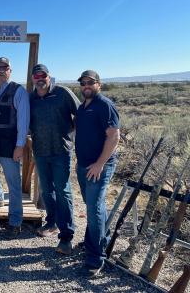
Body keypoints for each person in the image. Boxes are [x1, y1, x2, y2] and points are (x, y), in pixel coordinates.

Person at [30, 63, 80, 254]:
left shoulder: (62, 93)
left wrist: (70, 130)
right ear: (33, 79)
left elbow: (80, 112)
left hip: (61, 151)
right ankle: (51, 223)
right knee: (47, 190)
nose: (39, 78)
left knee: (63, 191)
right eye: (36, 76)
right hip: (40, 151)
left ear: (49, 77)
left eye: (43, 75)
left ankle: (66, 237)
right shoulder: (31, 98)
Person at [75, 70, 120, 277]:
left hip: (98, 166)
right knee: (94, 206)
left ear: (99, 84)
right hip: (84, 164)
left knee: (94, 209)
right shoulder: (83, 107)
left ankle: (96, 258)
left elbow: (113, 137)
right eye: (83, 82)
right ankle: (97, 239)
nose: (86, 85)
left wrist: (99, 164)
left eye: (90, 82)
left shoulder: (104, 105)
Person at [0, 57, 30, 239]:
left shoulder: (18, 91)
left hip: (10, 144)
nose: (2, 70)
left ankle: (15, 222)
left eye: (6, 67)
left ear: (11, 70)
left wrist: (20, 146)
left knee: (13, 185)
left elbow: (23, 120)